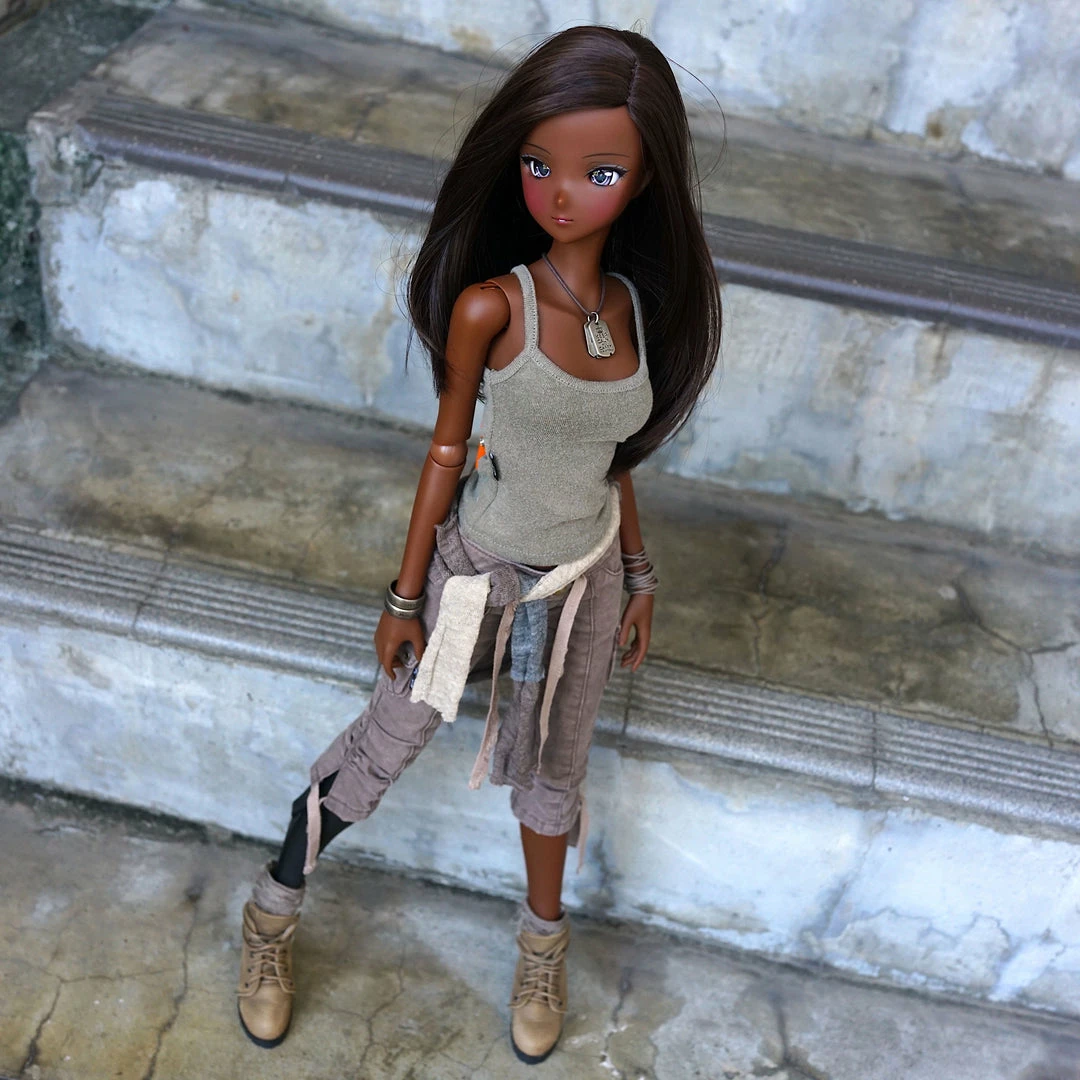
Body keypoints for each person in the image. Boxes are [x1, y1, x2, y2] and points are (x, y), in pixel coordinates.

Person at [235, 23, 722, 1065]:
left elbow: (613, 457)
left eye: (598, 172)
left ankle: (543, 945)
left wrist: (638, 575)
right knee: (386, 744)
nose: (562, 194)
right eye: (541, 165)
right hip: (476, 580)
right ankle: (273, 908)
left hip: (583, 583)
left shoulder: (635, 308)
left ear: (643, 181)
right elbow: (446, 453)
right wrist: (404, 598)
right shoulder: (492, 305)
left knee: (555, 771)